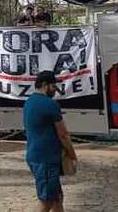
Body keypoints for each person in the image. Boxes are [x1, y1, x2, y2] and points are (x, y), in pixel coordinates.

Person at [24, 71, 76, 212]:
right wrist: (72, 155)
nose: (55, 90)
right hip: (45, 159)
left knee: (57, 197)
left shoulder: (29, 102)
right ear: (45, 85)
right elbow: (63, 134)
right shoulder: (50, 104)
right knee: (47, 201)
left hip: (35, 156)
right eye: (53, 86)